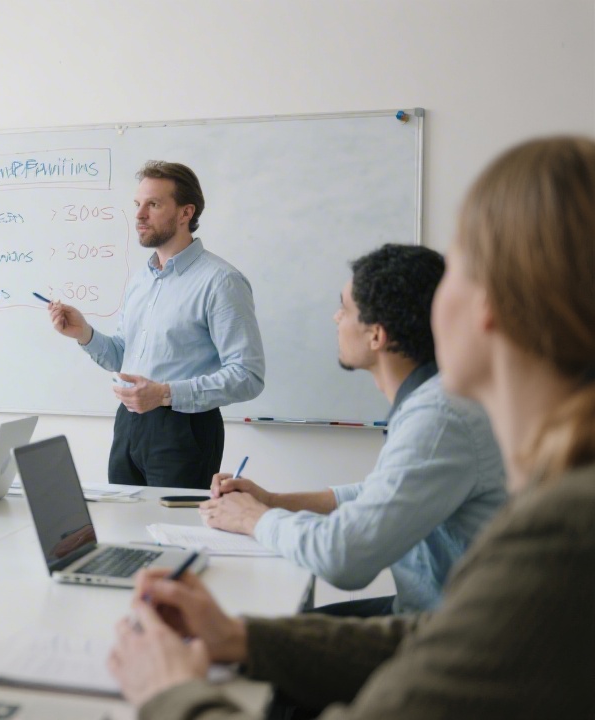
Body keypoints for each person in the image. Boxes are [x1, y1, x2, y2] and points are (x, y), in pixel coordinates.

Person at [107, 136, 595, 719]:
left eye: (456, 271)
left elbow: (356, 563)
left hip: (180, 427)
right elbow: (433, 612)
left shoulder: (556, 518)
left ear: (490, 303)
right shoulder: (523, 462)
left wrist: (172, 697)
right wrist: (245, 634)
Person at [197, 244, 506, 616]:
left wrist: (252, 518)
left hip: (449, 631)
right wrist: (272, 501)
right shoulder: (436, 399)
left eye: (344, 308)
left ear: (376, 335)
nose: (335, 318)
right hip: (430, 609)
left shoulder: (439, 418)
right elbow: (380, 493)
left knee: (258, 634)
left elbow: (343, 558)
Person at [48, 161, 264, 489]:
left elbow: (248, 376)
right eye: (138, 204)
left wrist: (165, 394)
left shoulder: (221, 282)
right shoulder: (140, 281)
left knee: (174, 531)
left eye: (154, 204)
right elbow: (124, 357)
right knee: (125, 526)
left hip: (185, 428)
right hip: (129, 425)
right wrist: (85, 335)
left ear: (185, 213)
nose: (139, 215)